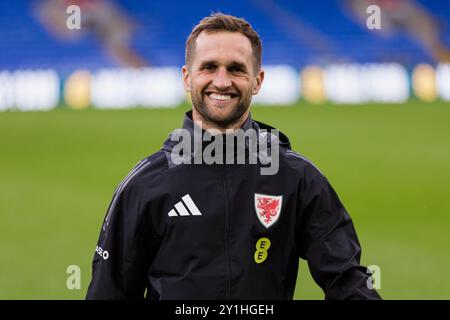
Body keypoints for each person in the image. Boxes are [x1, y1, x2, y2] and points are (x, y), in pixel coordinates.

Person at [86, 13, 381, 300]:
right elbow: (110, 292)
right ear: (187, 78)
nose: (222, 81)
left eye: (236, 69)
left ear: (257, 80)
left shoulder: (296, 178)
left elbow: (346, 280)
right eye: (209, 67)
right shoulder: (144, 185)